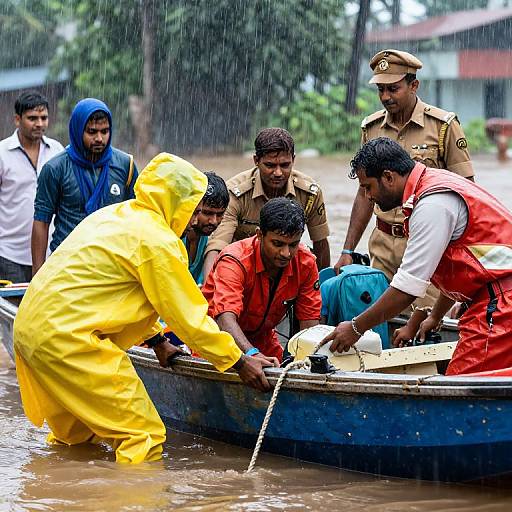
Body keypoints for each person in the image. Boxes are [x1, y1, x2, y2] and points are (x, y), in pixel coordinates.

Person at [14, 152, 272, 464]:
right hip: (68, 339)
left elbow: (122, 293)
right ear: (175, 200)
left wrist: (157, 340)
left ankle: (59, 494)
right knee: (143, 436)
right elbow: (188, 318)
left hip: (30, 329)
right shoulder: (158, 241)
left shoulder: (120, 214)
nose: (194, 216)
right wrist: (239, 361)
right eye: (192, 204)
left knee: (77, 437)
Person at [324, 138, 512, 376]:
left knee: (457, 393)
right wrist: (435, 316)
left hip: (500, 307)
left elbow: (406, 289)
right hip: (495, 299)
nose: (367, 196)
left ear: (389, 177)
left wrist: (355, 327)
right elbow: (462, 268)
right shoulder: (435, 184)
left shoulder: (431, 204)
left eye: (368, 187)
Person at [334, 49, 475, 340]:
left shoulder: (442, 126)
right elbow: (364, 193)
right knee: (378, 324)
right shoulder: (371, 128)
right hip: (384, 244)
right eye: (381, 90)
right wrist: (347, 250)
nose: (386, 97)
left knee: (426, 331)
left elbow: (466, 193)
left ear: (414, 85)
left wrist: (462, 271)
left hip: (429, 244)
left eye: (393, 88)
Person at [202, 197, 322, 363]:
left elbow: (309, 325)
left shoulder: (305, 262)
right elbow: (225, 319)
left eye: (293, 244)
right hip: (214, 340)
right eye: (277, 243)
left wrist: (308, 363)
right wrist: (251, 355)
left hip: (263, 340)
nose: (286, 253)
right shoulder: (234, 260)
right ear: (259, 235)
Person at [203, 128, 330, 279]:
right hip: (242, 268)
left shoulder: (310, 193)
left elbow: (320, 242)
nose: (278, 173)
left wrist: (320, 286)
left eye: (284, 165)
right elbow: (217, 246)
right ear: (256, 161)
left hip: (286, 265)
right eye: (270, 165)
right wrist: (209, 289)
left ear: (293, 160)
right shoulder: (234, 193)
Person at [32, 98, 138, 275]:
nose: (99, 139)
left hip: (111, 265)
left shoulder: (125, 165)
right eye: (91, 132)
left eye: (105, 132)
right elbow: (41, 221)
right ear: (77, 130)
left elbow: (136, 218)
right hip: (66, 265)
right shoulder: (55, 168)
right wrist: (37, 275)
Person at [0, 91, 63, 282]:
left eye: (44, 118)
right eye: (32, 118)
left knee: (45, 310)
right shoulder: (2, 153)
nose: (39, 124)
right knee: (13, 311)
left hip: (50, 254)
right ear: (17, 120)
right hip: (9, 255)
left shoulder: (57, 151)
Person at [182, 171, 229, 285]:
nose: (214, 221)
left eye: (219, 214)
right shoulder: (174, 236)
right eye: (207, 213)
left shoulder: (210, 240)